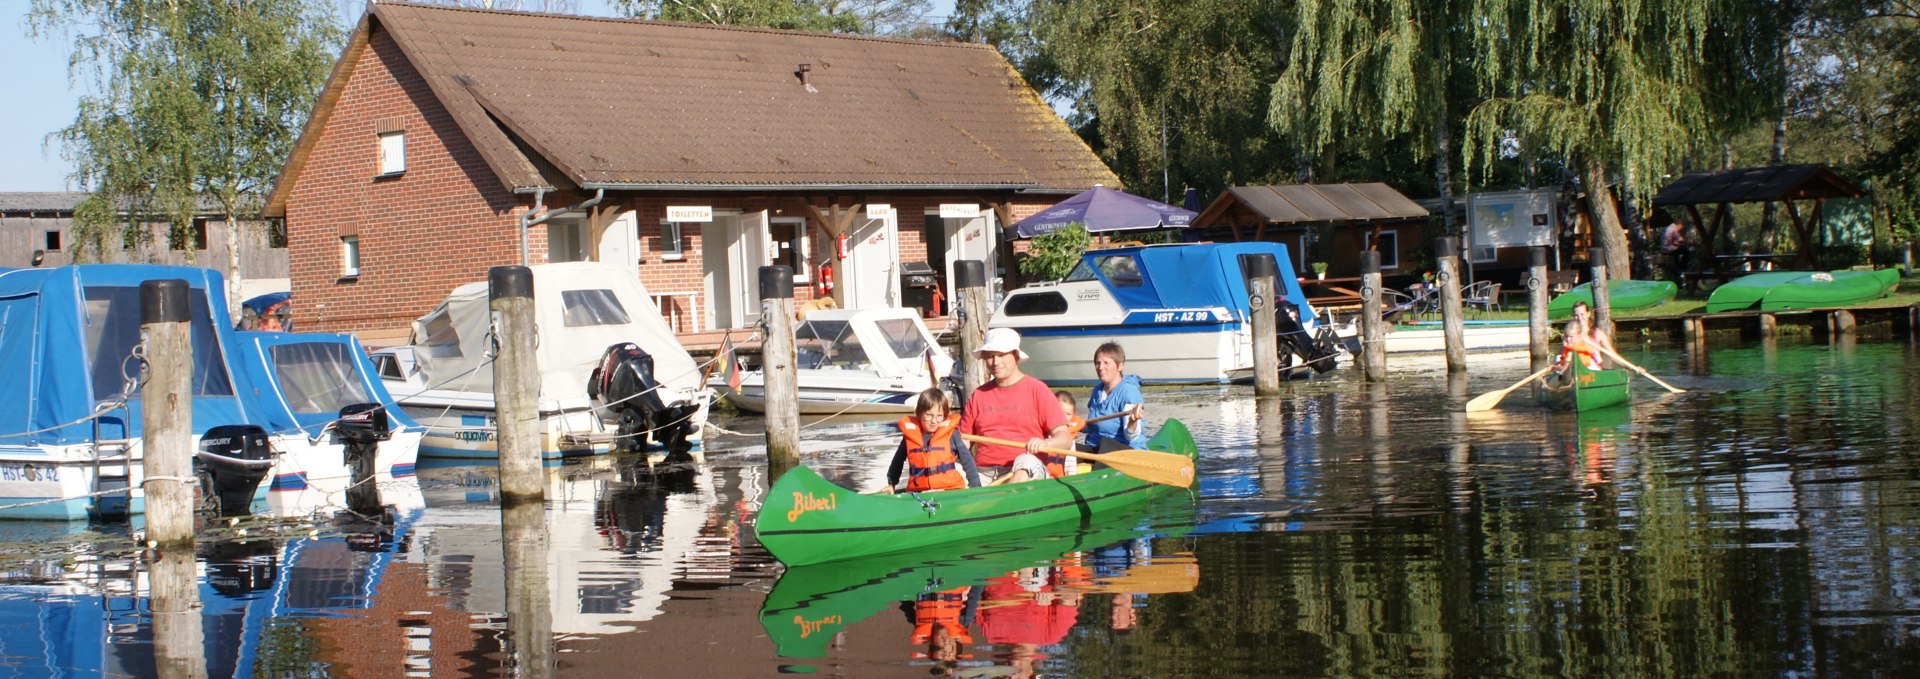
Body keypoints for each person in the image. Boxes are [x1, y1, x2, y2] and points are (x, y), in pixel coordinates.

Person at [958, 328, 1072, 485]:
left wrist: (1046, 443)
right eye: (990, 357)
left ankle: (1006, 499)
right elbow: (963, 440)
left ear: (1016, 356)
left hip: (1023, 467)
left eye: (1001, 355)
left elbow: (1064, 437)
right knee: (952, 471)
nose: (995, 362)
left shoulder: (1037, 390)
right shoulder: (978, 395)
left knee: (1026, 463)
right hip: (982, 472)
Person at [886, 388, 982, 493]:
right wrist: (892, 484)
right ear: (919, 414)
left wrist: (975, 486)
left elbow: (967, 461)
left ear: (944, 417)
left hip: (949, 490)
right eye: (928, 415)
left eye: (939, 416)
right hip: (919, 491)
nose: (934, 421)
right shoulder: (909, 437)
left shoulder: (952, 435)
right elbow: (897, 461)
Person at [1083, 342, 1146, 453]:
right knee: (1070, 446)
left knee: (1105, 442)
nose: (1100, 367)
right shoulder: (1097, 391)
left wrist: (1132, 423)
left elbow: (1131, 435)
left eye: (1106, 363)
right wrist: (1071, 424)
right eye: (1098, 363)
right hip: (1096, 449)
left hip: (1126, 451)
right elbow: (1094, 426)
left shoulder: (1129, 392)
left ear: (1120, 366)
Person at [1556, 300, 1612, 371]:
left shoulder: (1598, 334)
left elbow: (1612, 355)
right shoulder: (1569, 338)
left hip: (1592, 371)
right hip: (1572, 370)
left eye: (1582, 314)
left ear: (1588, 314)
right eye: (1576, 315)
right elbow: (1561, 357)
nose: (1579, 318)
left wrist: (1626, 366)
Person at [1050, 390, 1086, 477]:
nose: (1064, 417)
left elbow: (1071, 463)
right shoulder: (1042, 429)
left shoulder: (1069, 437)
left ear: (1073, 415)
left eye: (1068, 414)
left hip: (1059, 474)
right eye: (1060, 412)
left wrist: (1071, 478)